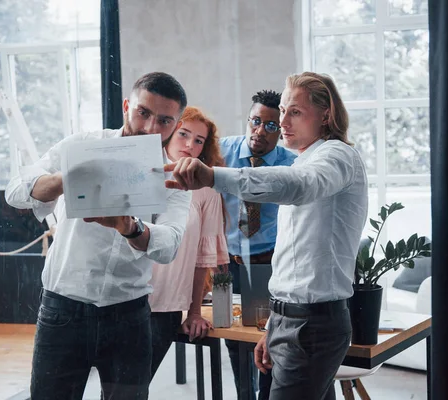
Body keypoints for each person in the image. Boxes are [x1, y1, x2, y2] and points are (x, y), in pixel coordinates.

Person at [165, 71, 369, 400]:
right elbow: (294, 256)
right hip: (252, 286)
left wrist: (212, 176)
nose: (282, 121)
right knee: (234, 345)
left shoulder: (335, 157)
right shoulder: (300, 158)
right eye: (282, 111)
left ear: (326, 114)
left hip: (308, 320)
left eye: (294, 112)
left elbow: (299, 186)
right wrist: (275, 326)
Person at [5, 72, 191, 400]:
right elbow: (16, 191)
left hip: (129, 315)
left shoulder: (173, 179)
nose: (150, 128)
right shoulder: (82, 146)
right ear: (126, 106)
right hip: (63, 308)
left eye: (164, 120)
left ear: (176, 124)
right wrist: (67, 178)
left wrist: (131, 228)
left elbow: (169, 247)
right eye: (143, 113)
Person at [219, 90, 296, 399]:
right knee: (230, 335)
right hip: (225, 263)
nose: (260, 131)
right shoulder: (220, 152)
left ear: (281, 129)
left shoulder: (292, 164)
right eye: (256, 121)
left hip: (267, 262)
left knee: (266, 338)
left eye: (270, 125)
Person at [148, 106, 229, 378]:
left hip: (167, 305)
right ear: (169, 132)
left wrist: (194, 312)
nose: (189, 144)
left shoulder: (207, 190)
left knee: (134, 388)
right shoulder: (141, 173)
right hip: (123, 300)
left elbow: (204, 258)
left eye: (199, 140)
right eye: (183, 134)